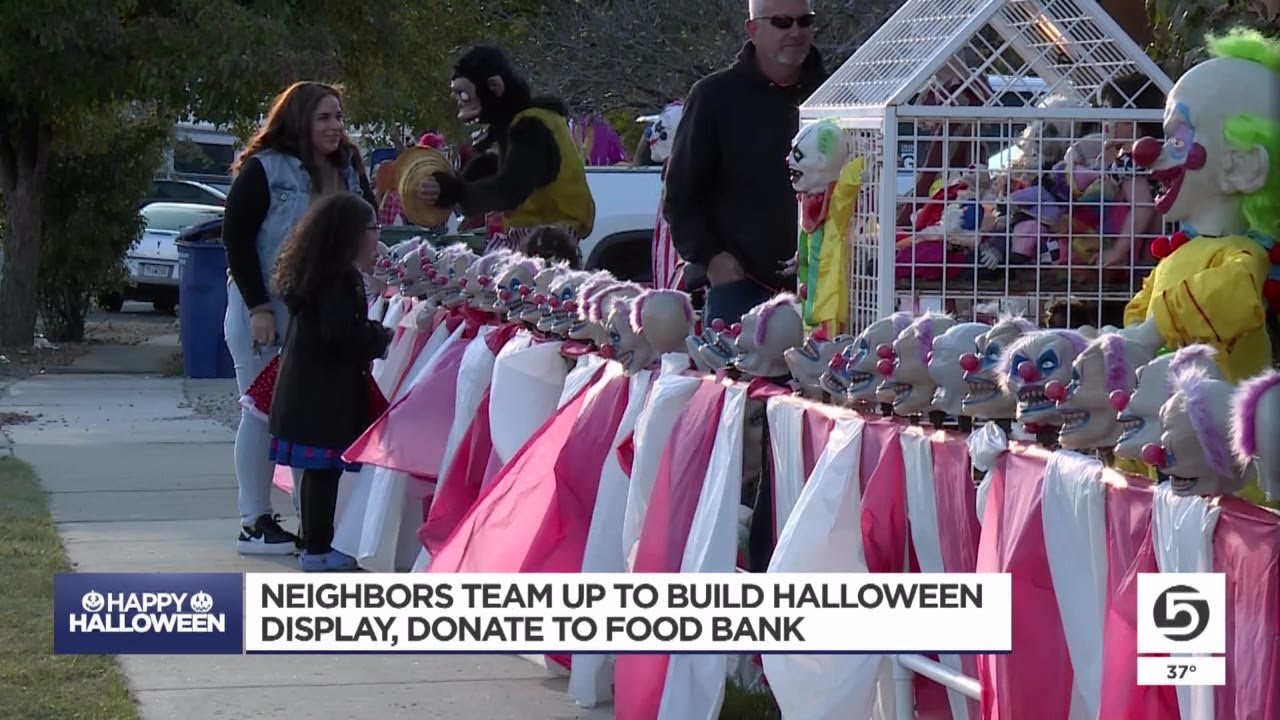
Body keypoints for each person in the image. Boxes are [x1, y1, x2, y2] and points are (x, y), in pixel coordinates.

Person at [222, 81, 375, 555]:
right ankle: (254, 521)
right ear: (299, 120)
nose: (336, 127)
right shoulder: (266, 168)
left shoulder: (348, 168)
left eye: (339, 117)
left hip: (322, 314)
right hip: (268, 309)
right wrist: (257, 307)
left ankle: (315, 527)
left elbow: (366, 226)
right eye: (324, 117)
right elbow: (236, 238)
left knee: (313, 419)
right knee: (261, 412)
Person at [663, 0, 827, 326]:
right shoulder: (714, 96)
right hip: (742, 288)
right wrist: (712, 258)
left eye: (804, 21)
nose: (796, 32)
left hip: (824, 284)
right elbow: (680, 195)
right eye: (782, 22)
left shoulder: (835, 95)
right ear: (753, 29)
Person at [268, 193, 393, 572]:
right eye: (373, 228)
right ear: (351, 233)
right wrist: (380, 336)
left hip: (310, 389)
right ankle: (318, 549)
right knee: (323, 474)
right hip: (323, 393)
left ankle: (315, 543)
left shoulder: (316, 273)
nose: (377, 236)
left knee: (318, 475)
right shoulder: (338, 278)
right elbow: (339, 334)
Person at [415, 45, 596, 254]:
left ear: (495, 86)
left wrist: (455, 192)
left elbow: (511, 188)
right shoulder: (518, 126)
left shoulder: (532, 126)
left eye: (463, 94)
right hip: (532, 233)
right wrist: (458, 182)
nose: (460, 103)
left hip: (548, 238)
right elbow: (512, 168)